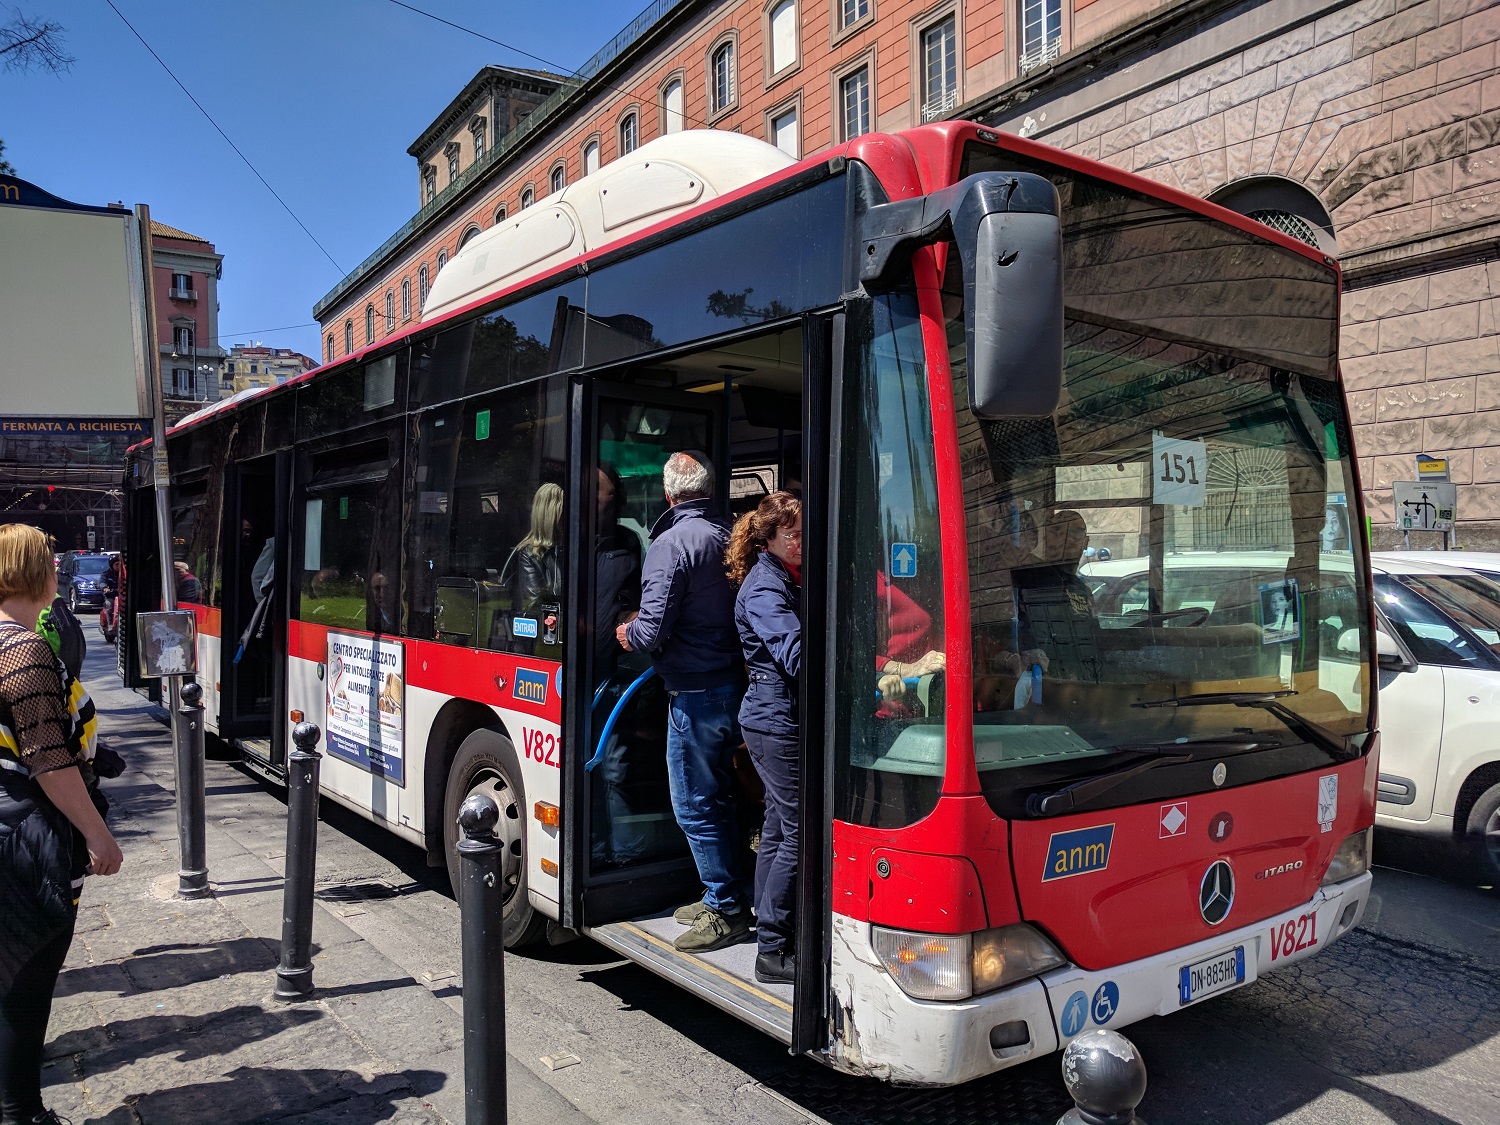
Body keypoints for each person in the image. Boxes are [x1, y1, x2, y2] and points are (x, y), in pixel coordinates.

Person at [0, 525, 122, 1125]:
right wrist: (97, 835)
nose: (59, 571)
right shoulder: (23, 650)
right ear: (31, 571)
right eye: (50, 561)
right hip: (23, 833)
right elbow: (48, 759)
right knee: (26, 981)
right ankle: (19, 1112)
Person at [616, 451, 749, 953]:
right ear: (709, 489)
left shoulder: (670, 544)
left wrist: (626, 630)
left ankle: (724, 909)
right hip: (735, 687)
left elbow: (652, 630)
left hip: (694, 695)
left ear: (669, 495)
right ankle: (727, 892)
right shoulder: (730, 535)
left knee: (694, 803)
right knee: (724, 796)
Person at [726, 492, 803, 984]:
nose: (803, 541)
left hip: (775, 714)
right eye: (794, 533)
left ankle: (772, 933)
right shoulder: (763, 588)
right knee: (798, 829)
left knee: (777, 827)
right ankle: (773, 950)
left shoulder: (783, 576)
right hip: (774, 718)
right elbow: (794, 652)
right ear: (769, 538)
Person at [514, 483, 564, 615]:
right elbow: (534, 605)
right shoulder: (530, 554)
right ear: (550, 517)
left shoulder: (569, 548)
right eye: (562, 515)